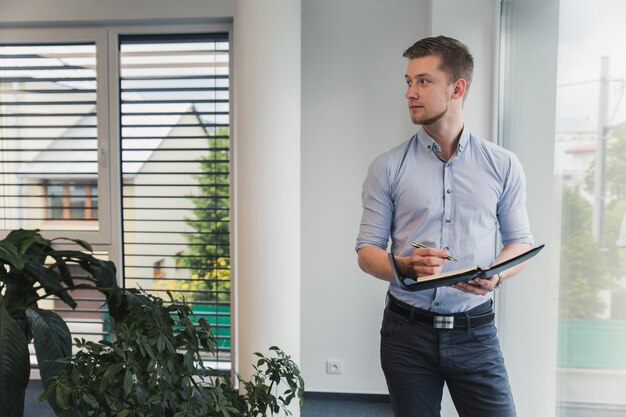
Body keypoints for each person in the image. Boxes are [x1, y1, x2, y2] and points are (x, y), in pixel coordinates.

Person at [355, 36, 534, 417]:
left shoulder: (503, 165)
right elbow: (367, 253)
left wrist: (497, 277)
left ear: (457, 88)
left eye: (423, 81)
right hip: (407, 334)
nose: (410, 93)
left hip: (476, 332)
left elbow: (520, 242)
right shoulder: (387, 167)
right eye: (408, 82)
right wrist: (403, 266)